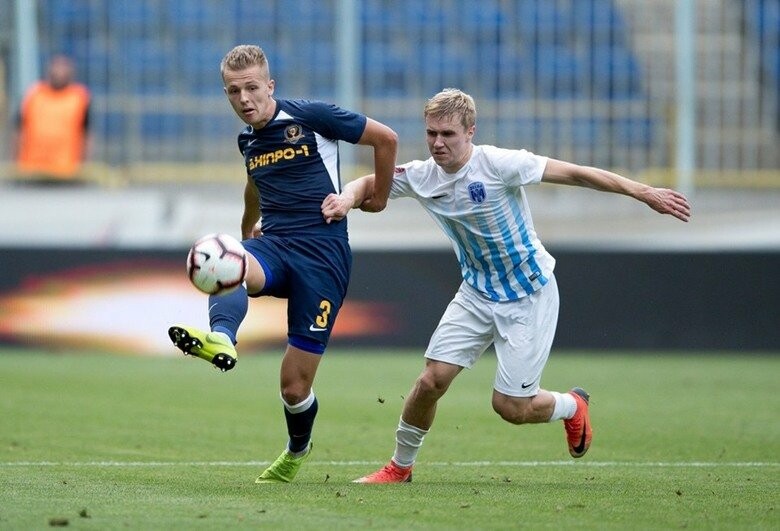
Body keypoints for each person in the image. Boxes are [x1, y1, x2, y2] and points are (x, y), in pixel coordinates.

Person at [321, 88, 691, 483]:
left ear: (471, 132)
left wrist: (643, 192)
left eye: (448, 134)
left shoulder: (500, 165)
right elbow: (368, 183)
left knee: (511, 408)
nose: (438, 143)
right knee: (431, 380)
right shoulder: (423, 175)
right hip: (476, 292)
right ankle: (400, 467)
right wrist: (345, 200)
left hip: (529, 294)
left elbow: (577, 173)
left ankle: (571, 406)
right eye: (431, 133)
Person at [168, 44, 398, 483]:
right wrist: (245, 233)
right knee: (227, 261)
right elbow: (253, 186)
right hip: (274, 245)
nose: (244, 99)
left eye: (252, 88)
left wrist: (378, 198)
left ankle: (297, 449)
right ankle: (222, 339)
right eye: (233, 91)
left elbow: (386, 138)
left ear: (270, 86)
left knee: (294, 387)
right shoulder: (248, 140)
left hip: (323, 256)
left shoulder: (311, 116)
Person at [12, 55, 92, 184]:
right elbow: (19, 131)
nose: (59, 72)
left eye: (63, 68)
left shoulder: (79, 98)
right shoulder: (34, 94)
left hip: (66, 170)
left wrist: (83, 165)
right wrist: (16, 162)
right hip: (32, 169)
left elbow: (86, 134)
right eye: (56, 68)